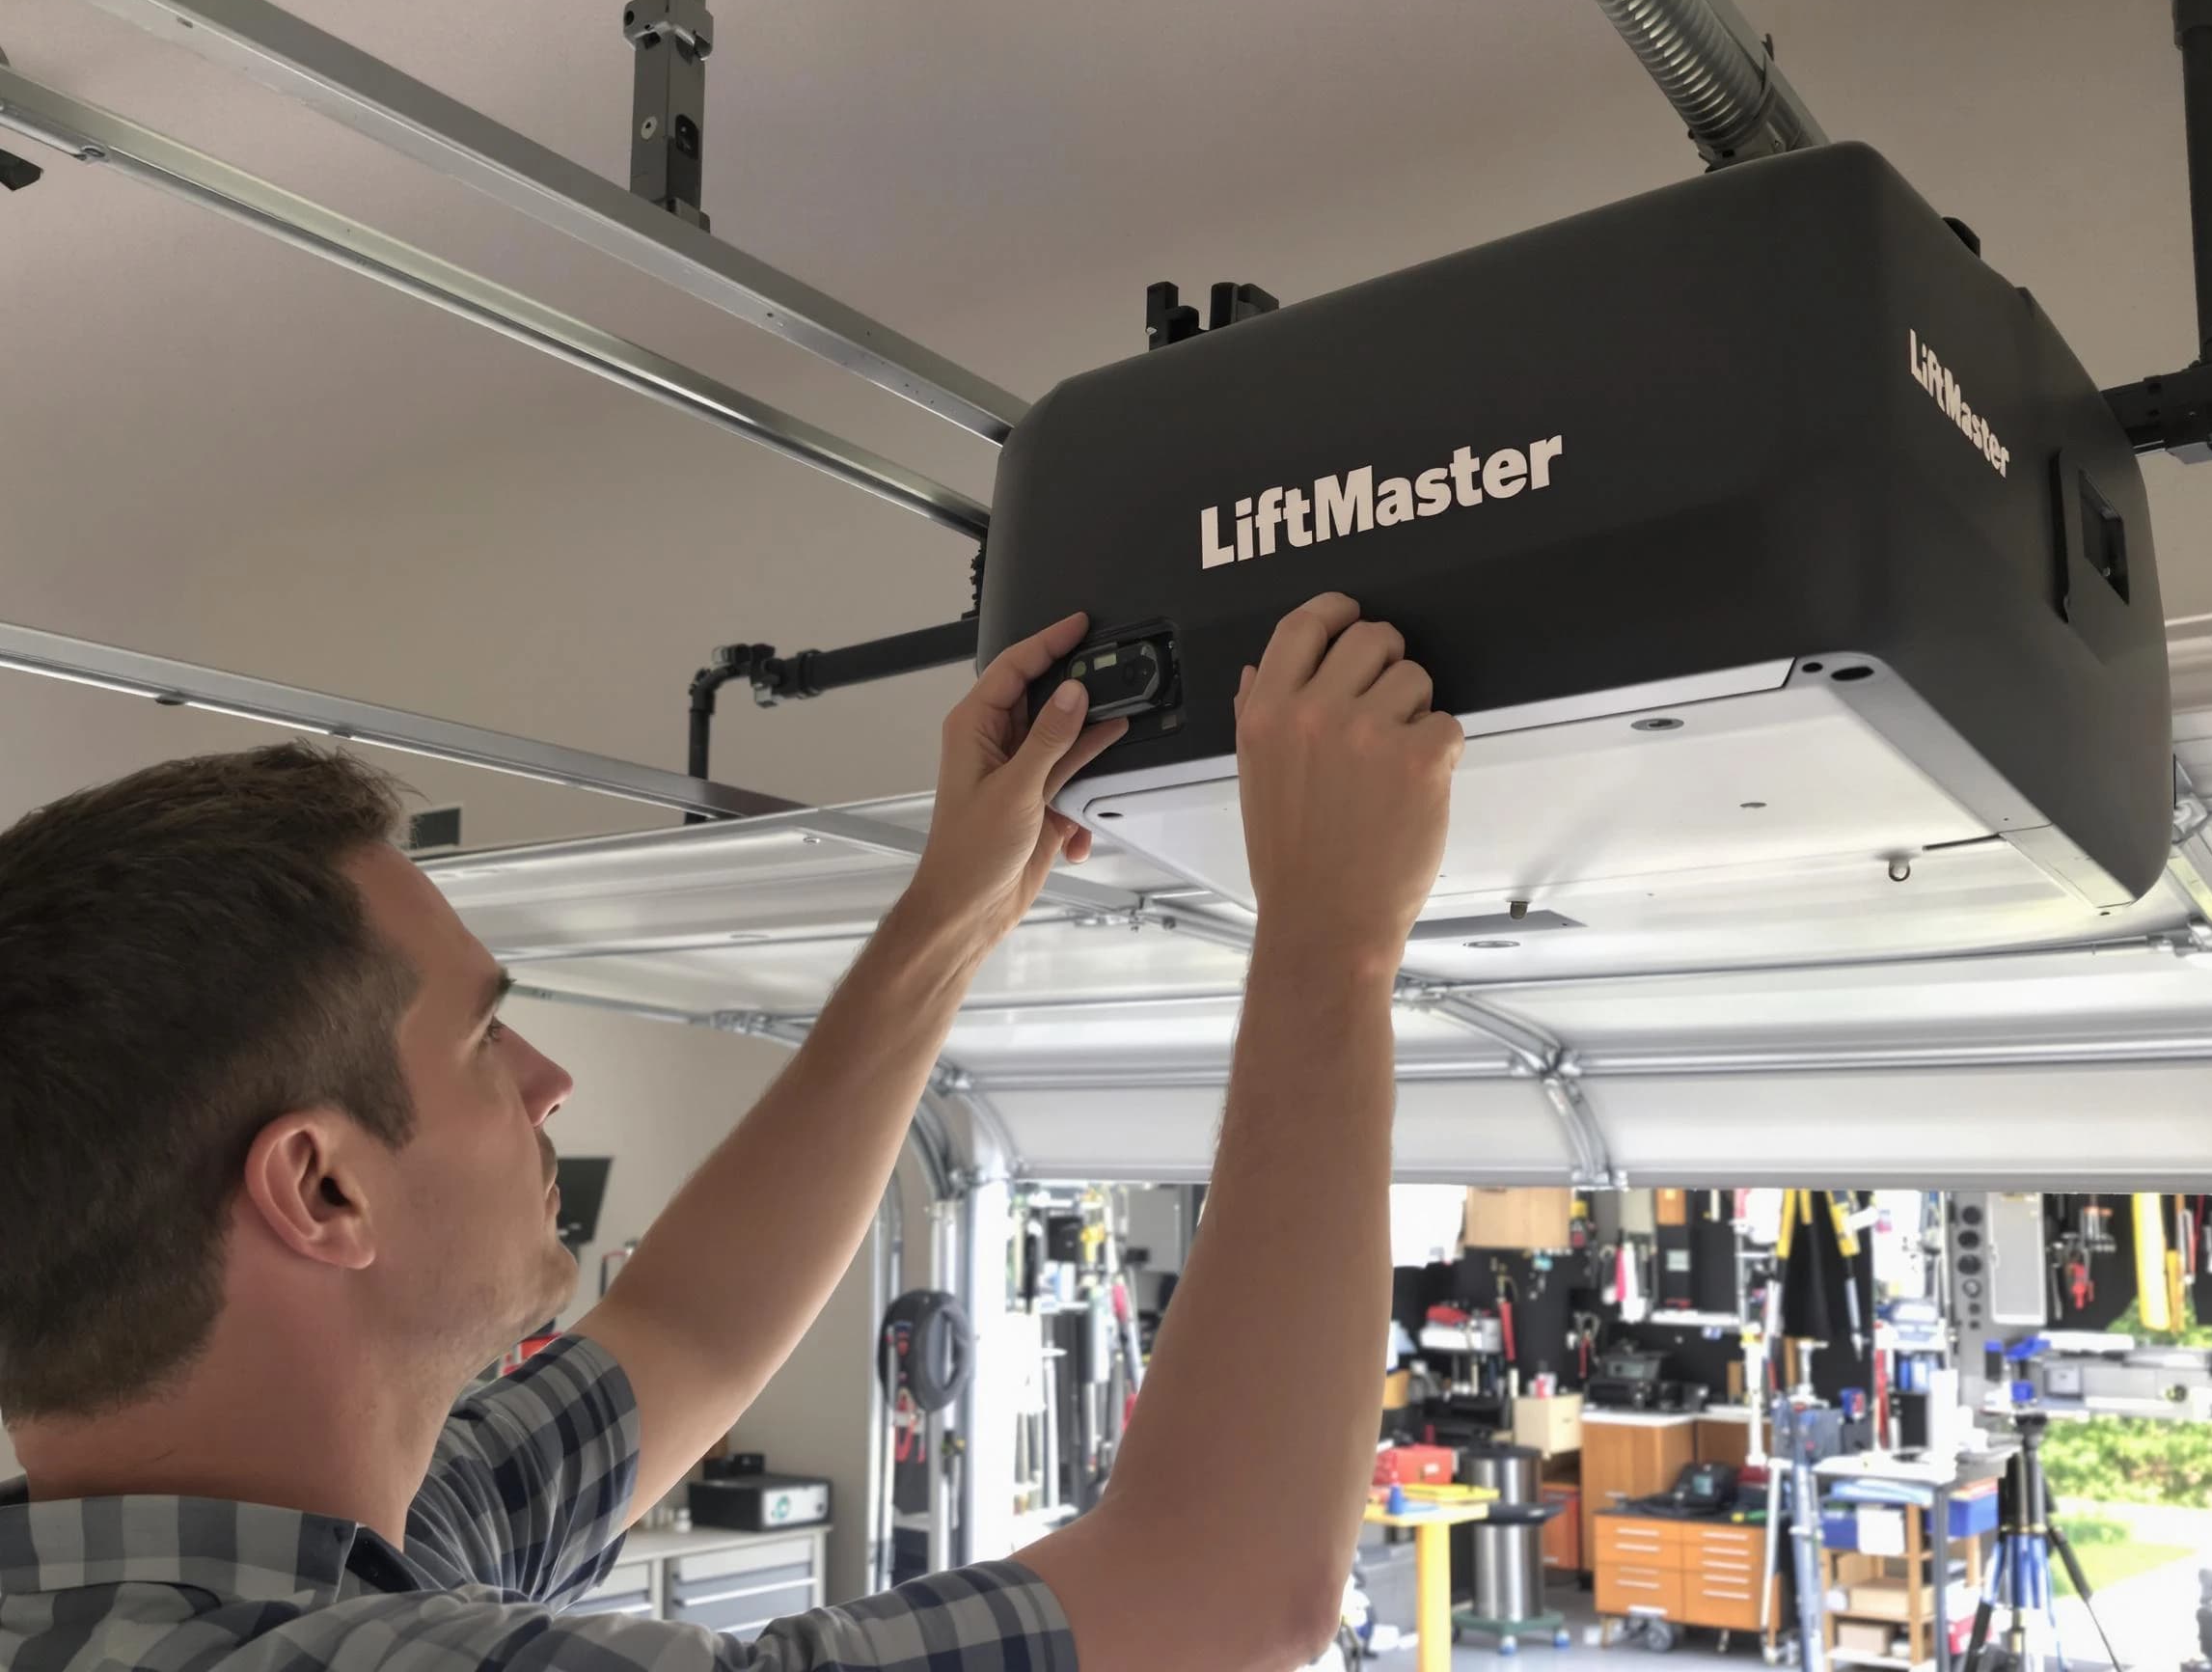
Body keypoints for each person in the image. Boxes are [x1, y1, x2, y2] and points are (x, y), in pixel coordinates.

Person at [0, 592, 1461, 1672]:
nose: (546, 1078)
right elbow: (1223, 1594)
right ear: (320, 1188)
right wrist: (1332, 944)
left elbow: (688, 1332)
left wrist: (951, 912)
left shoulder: (240, 1573)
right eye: (480, 1036)